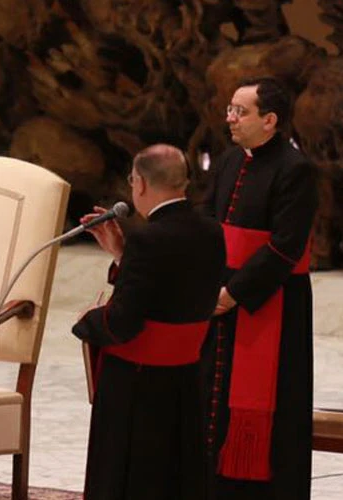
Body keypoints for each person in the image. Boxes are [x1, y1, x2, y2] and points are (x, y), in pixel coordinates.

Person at [72, 144, 225, 500]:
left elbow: (123, 322)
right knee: (176, 475)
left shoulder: (147, 238)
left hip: (137, 386)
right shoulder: (211, 230)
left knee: (129, 479)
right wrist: (121, 253)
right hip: (185, 378)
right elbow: (172, 288)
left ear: (138, 183)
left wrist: (87, 322)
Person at [200, 77, 318, 499]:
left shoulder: (296, 169)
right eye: (230, 109)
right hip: (220, 297)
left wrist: (233, 294)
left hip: (271, 304)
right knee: (212, 401)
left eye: (241, 111)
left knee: (272, 410)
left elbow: (285, 248)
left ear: (270, 120)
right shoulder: (230, 161)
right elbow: (209, 223)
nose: (229, 118)